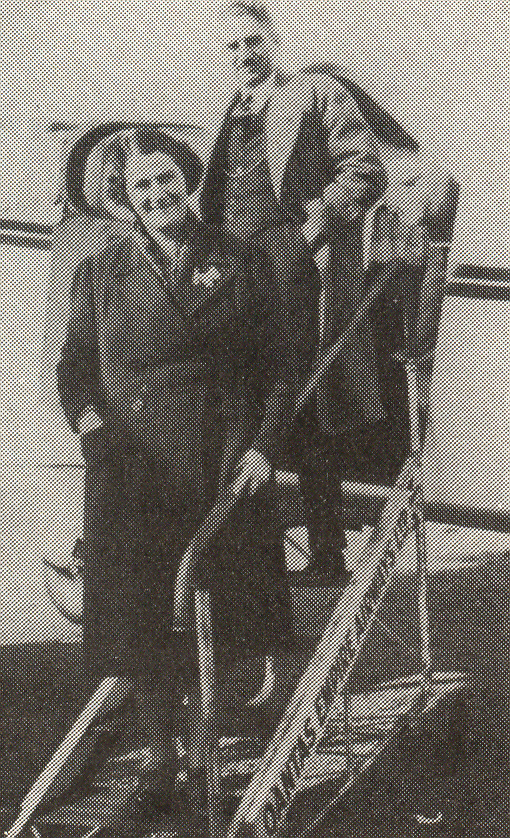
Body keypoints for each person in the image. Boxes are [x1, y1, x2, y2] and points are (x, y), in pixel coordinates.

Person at [56, 127, 317, 813]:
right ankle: (158, 758)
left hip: (220, 457)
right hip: (130, 466)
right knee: (139, 622)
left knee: (214, 613)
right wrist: (91, 430)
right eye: (142, 185)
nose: (158, 192)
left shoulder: (243, 262)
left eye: (167, 177)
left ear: (188, 178)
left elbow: (280, 371)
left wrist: (264, 447)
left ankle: (201, 756)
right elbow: (74, 370)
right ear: (125, 197)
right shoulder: (99, 274)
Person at [200, 1, 388, 583]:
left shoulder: (318, 96)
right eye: (232, 48)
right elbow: (212, 202)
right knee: (237, 404)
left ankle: (328, 552)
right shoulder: (236, 114)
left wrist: (313, 225)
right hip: (246, 283)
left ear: (275, 41)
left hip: (303, 285)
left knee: (305, 410)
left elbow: (365, 168)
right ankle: (251, 553)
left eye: (253, 43)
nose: (245, 57)